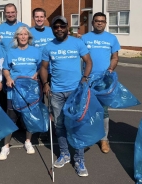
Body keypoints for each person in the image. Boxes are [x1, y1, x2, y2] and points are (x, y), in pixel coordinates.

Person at [40, 16, 93, 177]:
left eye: (62, 26)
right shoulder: (48, 46)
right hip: (56, 93)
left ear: (67, 27)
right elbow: (43, 67)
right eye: (56, 27)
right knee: (60, 125)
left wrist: (84, 78)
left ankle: (79, 160)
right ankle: (64, 154)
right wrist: (45, 83)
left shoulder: (77, 43)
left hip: (75, 91)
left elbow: (88, 62)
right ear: (53, 29)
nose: (59, 29)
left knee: (77, 125)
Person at [0, 26, 41, 159]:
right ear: (17, 37)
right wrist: (9, 78)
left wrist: (37, 74)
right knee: (11, 118)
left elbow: (42, 67)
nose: (23, 37)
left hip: (30, 91)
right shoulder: (11, 52)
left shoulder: (36, 51)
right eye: (20, 35)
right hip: (14, 91)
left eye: (25, 34)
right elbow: (5, 69)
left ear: (29, 37)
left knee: (29, 117)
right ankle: (5, 146)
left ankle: (28, 141)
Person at [81, 12, 120, 154]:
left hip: (104, 81)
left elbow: (115, 57)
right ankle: (88, 138)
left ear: (105, 23)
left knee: (103, 110)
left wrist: (110, 69)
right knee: (87, 110)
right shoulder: (84, 38)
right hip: (87, 80)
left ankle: (104, 139)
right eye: (97, 21)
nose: (99, 23)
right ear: (92, 22)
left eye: (102, 21)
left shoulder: (111, 38)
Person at [29, 7, 54, 140]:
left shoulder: (51, 31)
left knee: (53, 100)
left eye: (41, 16)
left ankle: (53, 126)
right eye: (36, 17)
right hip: (36, 73)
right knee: (39, 101)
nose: (39, 19)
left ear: (45, 18)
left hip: (52, 71)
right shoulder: (29, 32)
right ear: (33, 18)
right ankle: (40, 126)